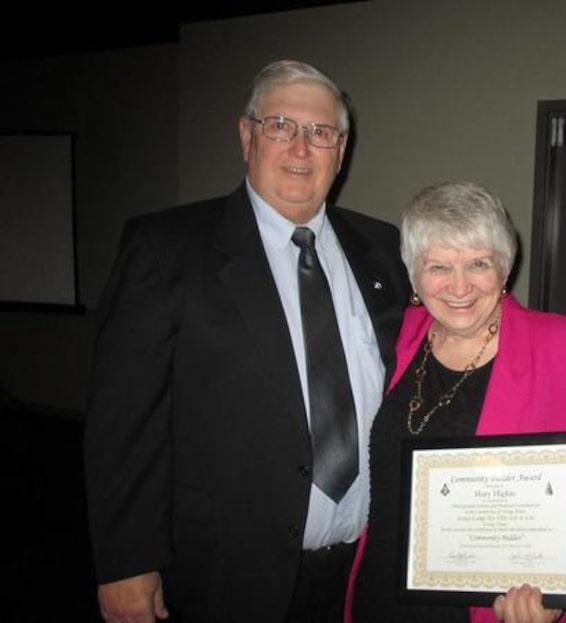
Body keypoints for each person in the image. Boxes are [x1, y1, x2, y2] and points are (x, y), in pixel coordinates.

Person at [83, 60, 409, 623]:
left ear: (342, 147)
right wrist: (125, 562)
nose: (300, 149)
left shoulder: (383, 248)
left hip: (363, 570)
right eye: (280, 125)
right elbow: (123, 422)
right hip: (227, 573)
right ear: (246, 135)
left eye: (320, 132)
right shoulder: (166, 248)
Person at [346, 181, 566, 623]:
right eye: (438, 266)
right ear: (413, 274)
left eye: (478, 263)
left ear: (504, 268)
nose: (459, 286)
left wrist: (560, 583)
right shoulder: (395, 337)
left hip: (496, 608)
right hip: (378, 595)